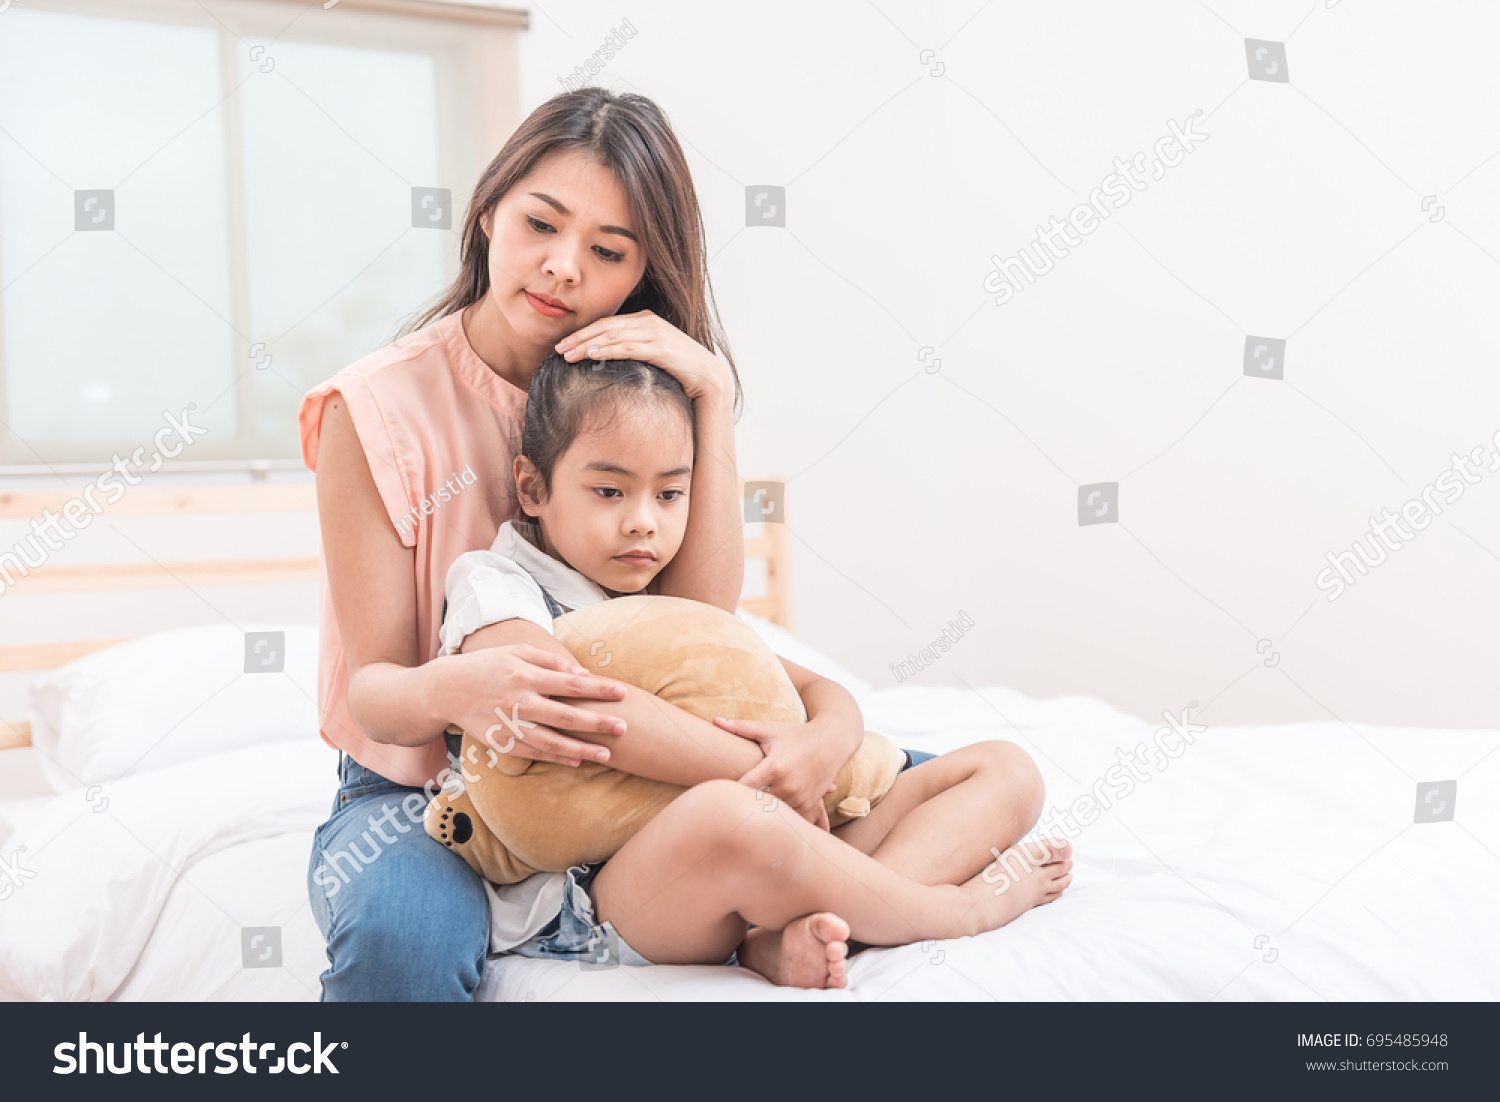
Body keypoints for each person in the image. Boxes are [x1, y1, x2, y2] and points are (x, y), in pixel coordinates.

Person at [302, 88, 754, 1001]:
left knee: (920, 801)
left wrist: (711, 395)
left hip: (632, 763)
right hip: (422, 796)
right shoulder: (377, 410)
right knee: (399, 947)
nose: (560, 269)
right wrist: (457, 688)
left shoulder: (649, 394)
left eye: (608, 250)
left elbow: (702, 622)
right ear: (485, 214)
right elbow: (378, 692)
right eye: (539, 224)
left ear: (642, 272)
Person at [438, 351, 1072, 988]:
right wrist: (767, 778)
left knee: (1007, 771)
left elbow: (814, 686)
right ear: (532, 487)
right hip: (620, 888)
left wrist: (822, 746)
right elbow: (567, 702)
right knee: (729, 816)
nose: (643, 521)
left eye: (669, 493)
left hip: (774, 832)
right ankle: (951, 911)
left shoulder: (664, 593)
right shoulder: (496, 585)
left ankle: (801, 929)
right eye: (609, 491)